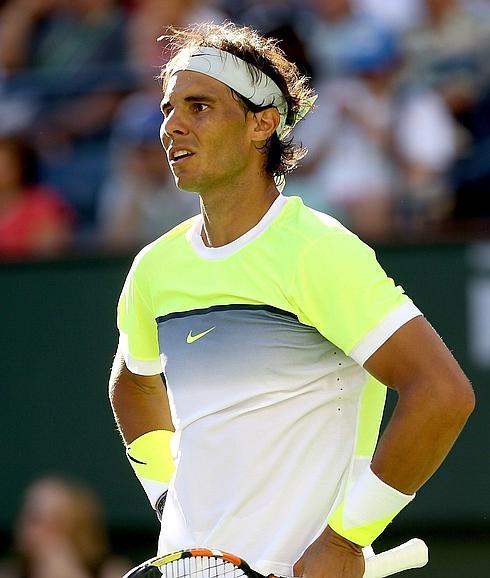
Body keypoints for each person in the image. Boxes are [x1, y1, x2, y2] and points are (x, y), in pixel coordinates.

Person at [108, 22, 475, 578]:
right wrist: (166, 496)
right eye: (168, 108)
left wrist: (346, 541)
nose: (172, 126)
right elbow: (132, 385)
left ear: (263, 124)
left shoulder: (318, 252)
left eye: (200, 106)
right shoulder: (154, 269)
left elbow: (443, 393)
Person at [0, 476, 132, 578]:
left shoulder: (114, 572)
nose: (25, 526)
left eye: (55, 522)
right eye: (30, 517)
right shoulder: (8, 572)